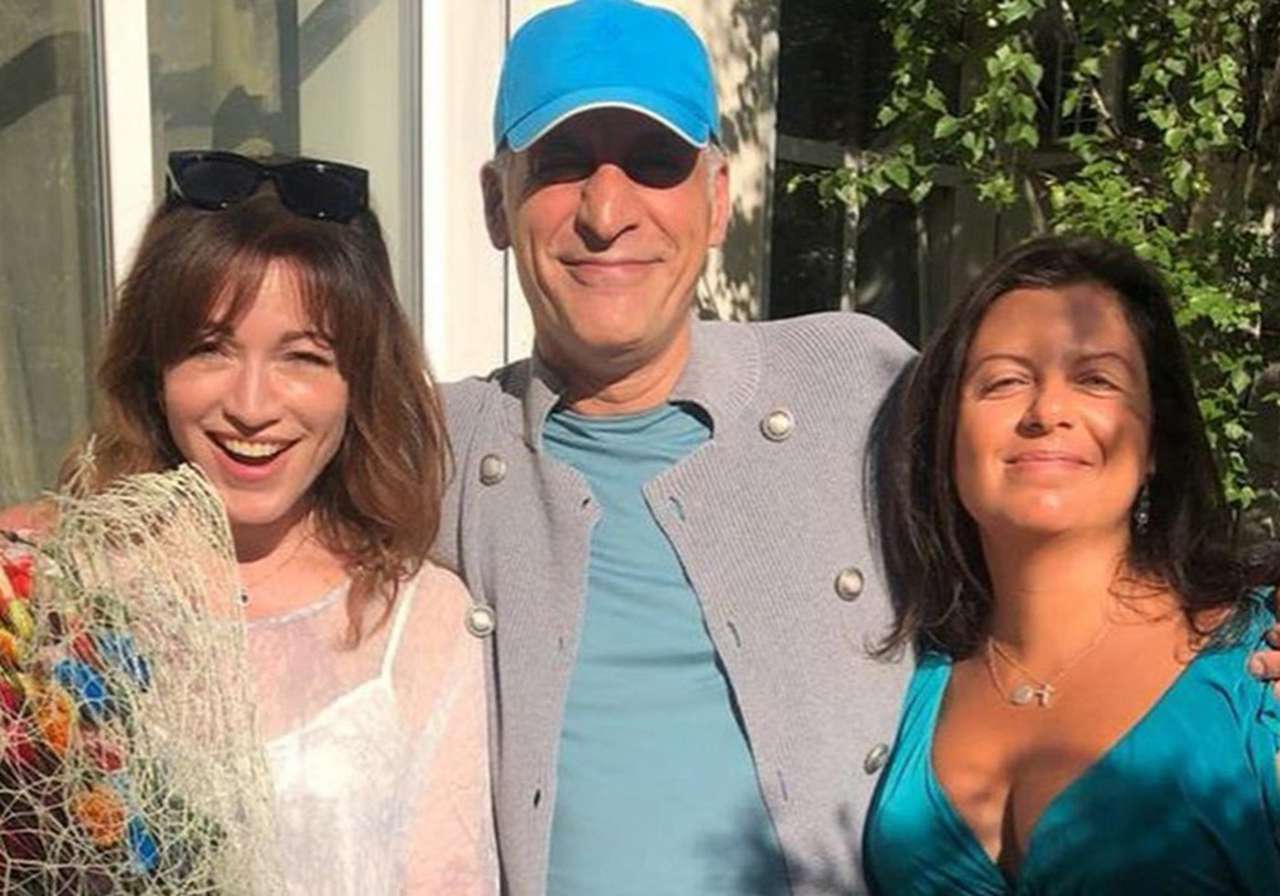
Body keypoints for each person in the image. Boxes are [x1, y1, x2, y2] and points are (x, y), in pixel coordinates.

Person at [436, 2, 915, 894]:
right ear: (496, 204)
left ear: (718, 199)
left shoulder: (855, 386)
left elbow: (1053, 558)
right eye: (561, 164)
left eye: (655, 163)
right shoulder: (434, 451)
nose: (606, 212)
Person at [7, 152, 497, 894]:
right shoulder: (48, 589)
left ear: (358, 382)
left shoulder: (421, 618)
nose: (251, 405)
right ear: (154, 368)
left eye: (303, 358)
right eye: (211, 349)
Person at [862, 235, 1280, 893]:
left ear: (1156, 439)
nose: (1047, 412)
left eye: (1096, 380)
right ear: (947, 436)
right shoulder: (897, 682)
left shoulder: (1259, 681)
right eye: (1004, 381)